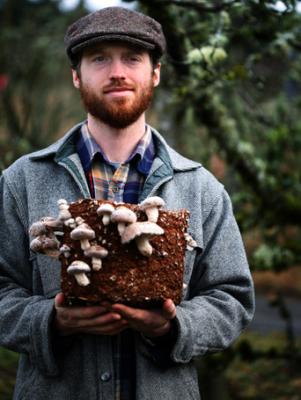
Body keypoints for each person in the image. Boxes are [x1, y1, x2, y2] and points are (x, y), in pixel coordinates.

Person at [0, 6, 255, 400]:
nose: (117, 71)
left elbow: (232, 299)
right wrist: (52, 322)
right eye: (99, 58)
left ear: (154, 73)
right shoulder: (22, 181)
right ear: (76, 75)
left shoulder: (203, 189)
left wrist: (174, 329)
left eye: (132, 58)